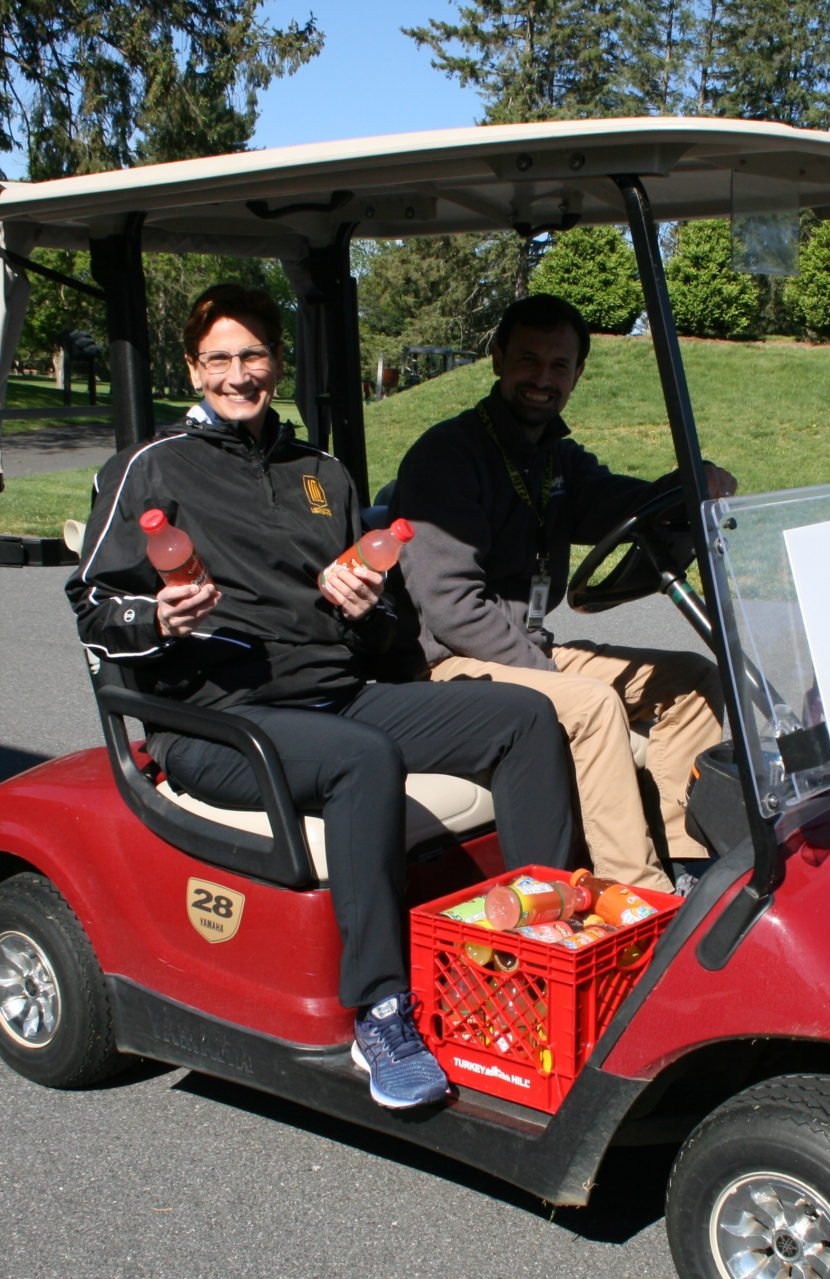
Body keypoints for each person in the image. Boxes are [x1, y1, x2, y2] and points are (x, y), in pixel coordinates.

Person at [66, 283, 575, 1111]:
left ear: (276, 362)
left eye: (254, 355)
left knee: (525, 716)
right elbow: (92, 609)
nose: (239, 374)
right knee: (362, 759)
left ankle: (531, 955)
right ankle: (380, 1011)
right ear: (194, 367)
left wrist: (366, 606)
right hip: (217, 724)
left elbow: (382, 644)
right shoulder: (150, 468)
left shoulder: (323, 473)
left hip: (336, 701)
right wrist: (156, 616)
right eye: (221, 358)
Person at [391, 294, 732, 895]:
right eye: (528, 360)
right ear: (497, 359)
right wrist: (550, 671)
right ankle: (638, 892)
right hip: (449, 666)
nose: (542, 380)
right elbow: (451, 611)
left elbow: (612, 503)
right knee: (593, 703)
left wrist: (686, 487)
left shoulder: (554, 459)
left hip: (526, 649)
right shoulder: (448, 457)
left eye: (558, 366)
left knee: (694, 680)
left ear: (577, 373)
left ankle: (689, 862)